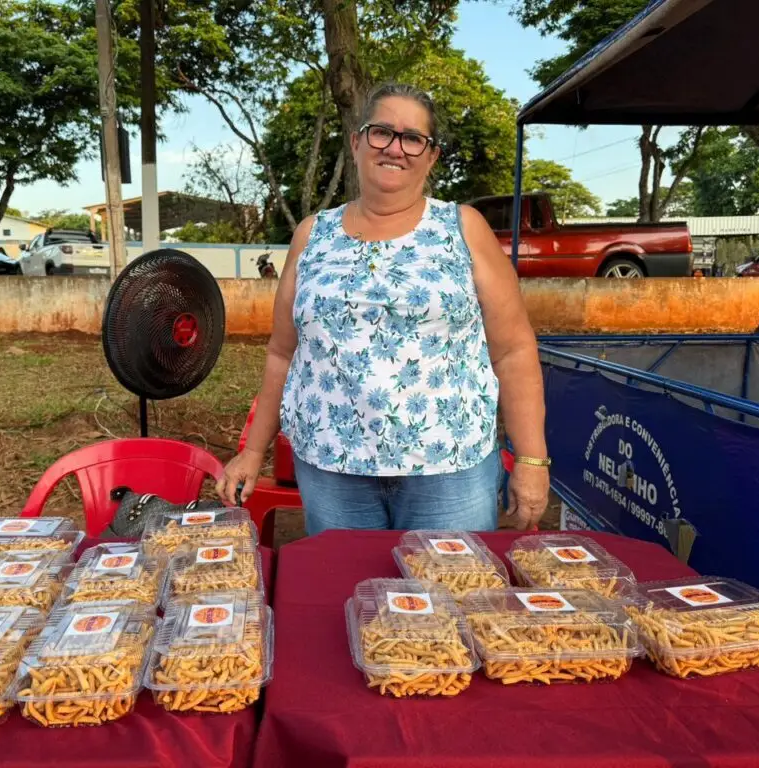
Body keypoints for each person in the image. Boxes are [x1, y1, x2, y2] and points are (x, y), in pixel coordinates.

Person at [216, 82, 550, 534]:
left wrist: (531, 459)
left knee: (450, 596)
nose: (396, 148)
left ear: (430, 156)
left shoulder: (462, 228)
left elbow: (513, 351)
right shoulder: (313, 235)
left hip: (448, 470)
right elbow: (283, 352)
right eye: (382, 133)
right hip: (334, 469)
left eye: (413, 138)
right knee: (352, 597)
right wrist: (253, 451)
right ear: (357, 142)